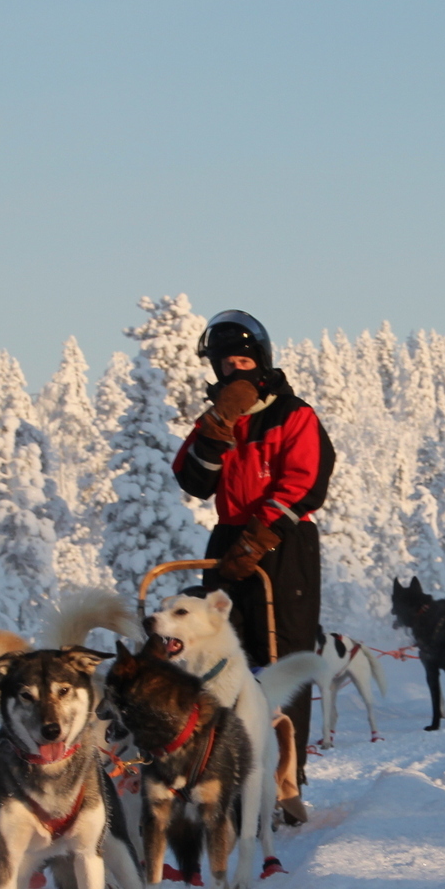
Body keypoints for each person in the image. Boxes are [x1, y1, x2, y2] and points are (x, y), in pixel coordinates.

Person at [171, 310, 335, 818]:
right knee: (220, 653)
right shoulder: (219, 419)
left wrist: (262, 535)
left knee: (282, 656)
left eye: (243, 361)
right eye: (225, 365)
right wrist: (217, 430)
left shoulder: (293, 414)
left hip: (284, 543)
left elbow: (307, 481)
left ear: (260, 362)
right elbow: (192, 480)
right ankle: (228, 771)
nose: (234, 371)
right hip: (227, 538)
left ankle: (287, 779)